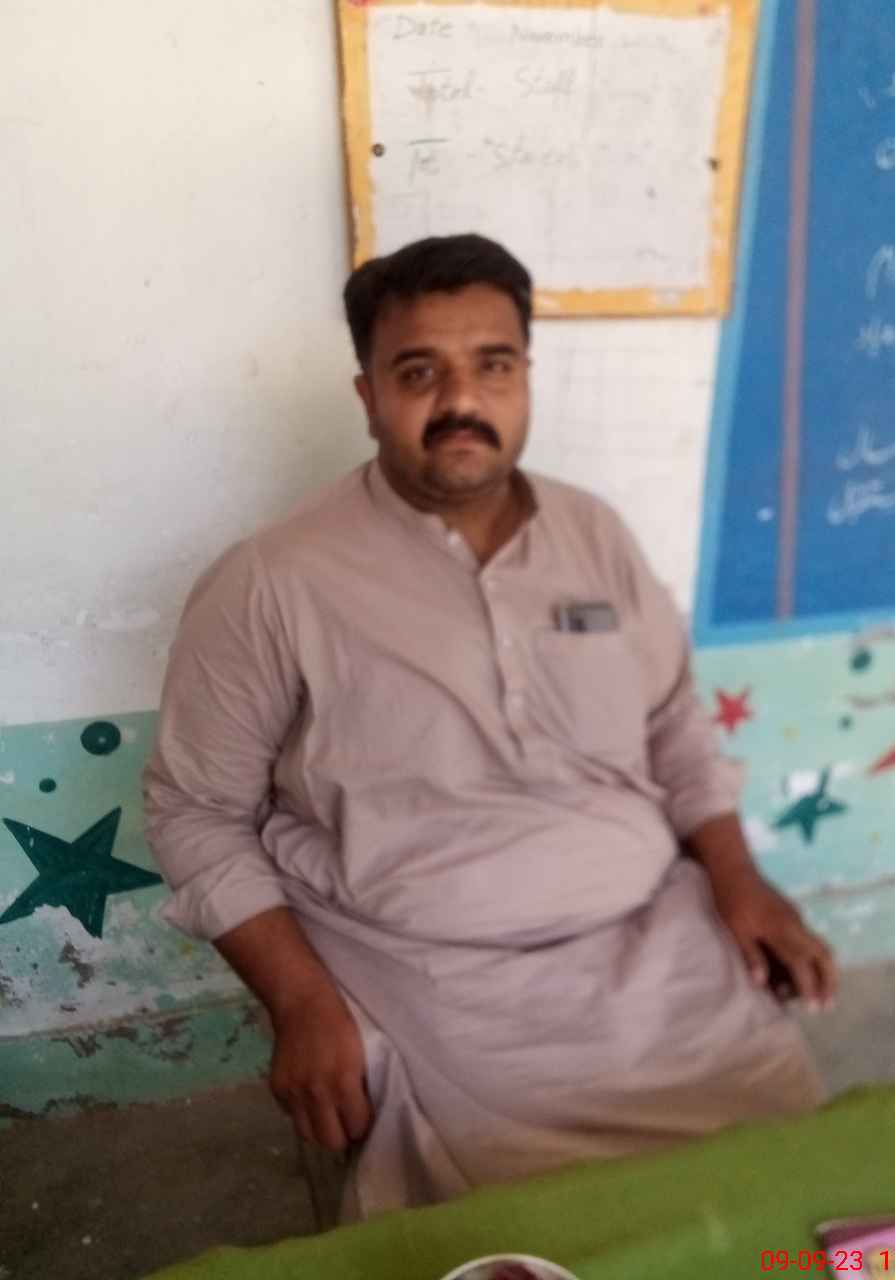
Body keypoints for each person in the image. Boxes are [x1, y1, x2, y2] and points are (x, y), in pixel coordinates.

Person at [143, 233, 835, 1221]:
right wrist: (300, 1001)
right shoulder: (272, 581)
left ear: (526, 378)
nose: (461, 399)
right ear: (368, 395)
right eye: (419, 371)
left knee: (800, 1216)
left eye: (494, 365)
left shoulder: (593, 534)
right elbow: (196, 812)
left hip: (651, 944)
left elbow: (672, 723)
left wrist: (739, 880)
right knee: (542, 1241)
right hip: (432, 979)